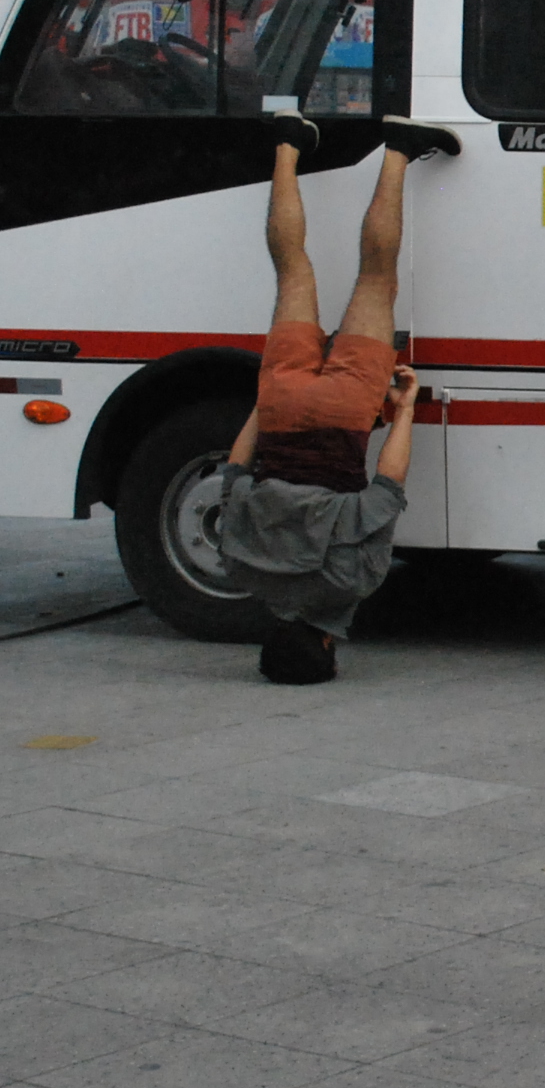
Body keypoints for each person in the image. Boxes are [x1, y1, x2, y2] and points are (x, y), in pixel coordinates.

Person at [213, 112, 460, 684]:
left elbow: (387, 487)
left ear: (327, 645)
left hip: (348, 412)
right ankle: (287, 143)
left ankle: (398, 150)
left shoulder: (351, 584)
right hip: (280, 405)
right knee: (291, 269)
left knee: (376, 277)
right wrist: (265, 404)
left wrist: (405, 407)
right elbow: (234, 473)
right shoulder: (243, 571)